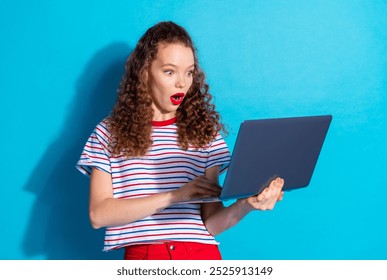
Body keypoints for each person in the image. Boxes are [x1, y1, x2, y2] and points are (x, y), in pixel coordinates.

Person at [76, 21, 284, 260]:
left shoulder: (205, 133)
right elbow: (98, 214)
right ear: (145, 73)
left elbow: (211, 224)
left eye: (189, 72)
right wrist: (175, 196)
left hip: (202, 257)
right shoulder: (108, 133)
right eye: (169, 71)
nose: (182, 83)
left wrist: (247, 204)